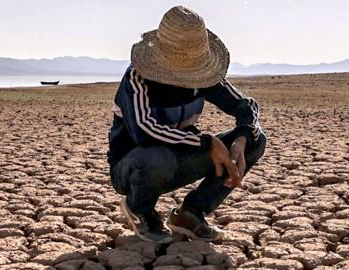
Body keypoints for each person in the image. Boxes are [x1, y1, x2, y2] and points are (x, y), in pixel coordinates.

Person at [107, 6, 266, 243]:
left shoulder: (202, 77)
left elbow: (246, 107)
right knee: (155, 157)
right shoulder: (137, 78)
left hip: (178, 158)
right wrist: (207, 142)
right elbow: (144, 131)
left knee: (256, 139)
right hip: (132, 168)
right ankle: (139, 209)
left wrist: (241, 139)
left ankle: (191, 213)